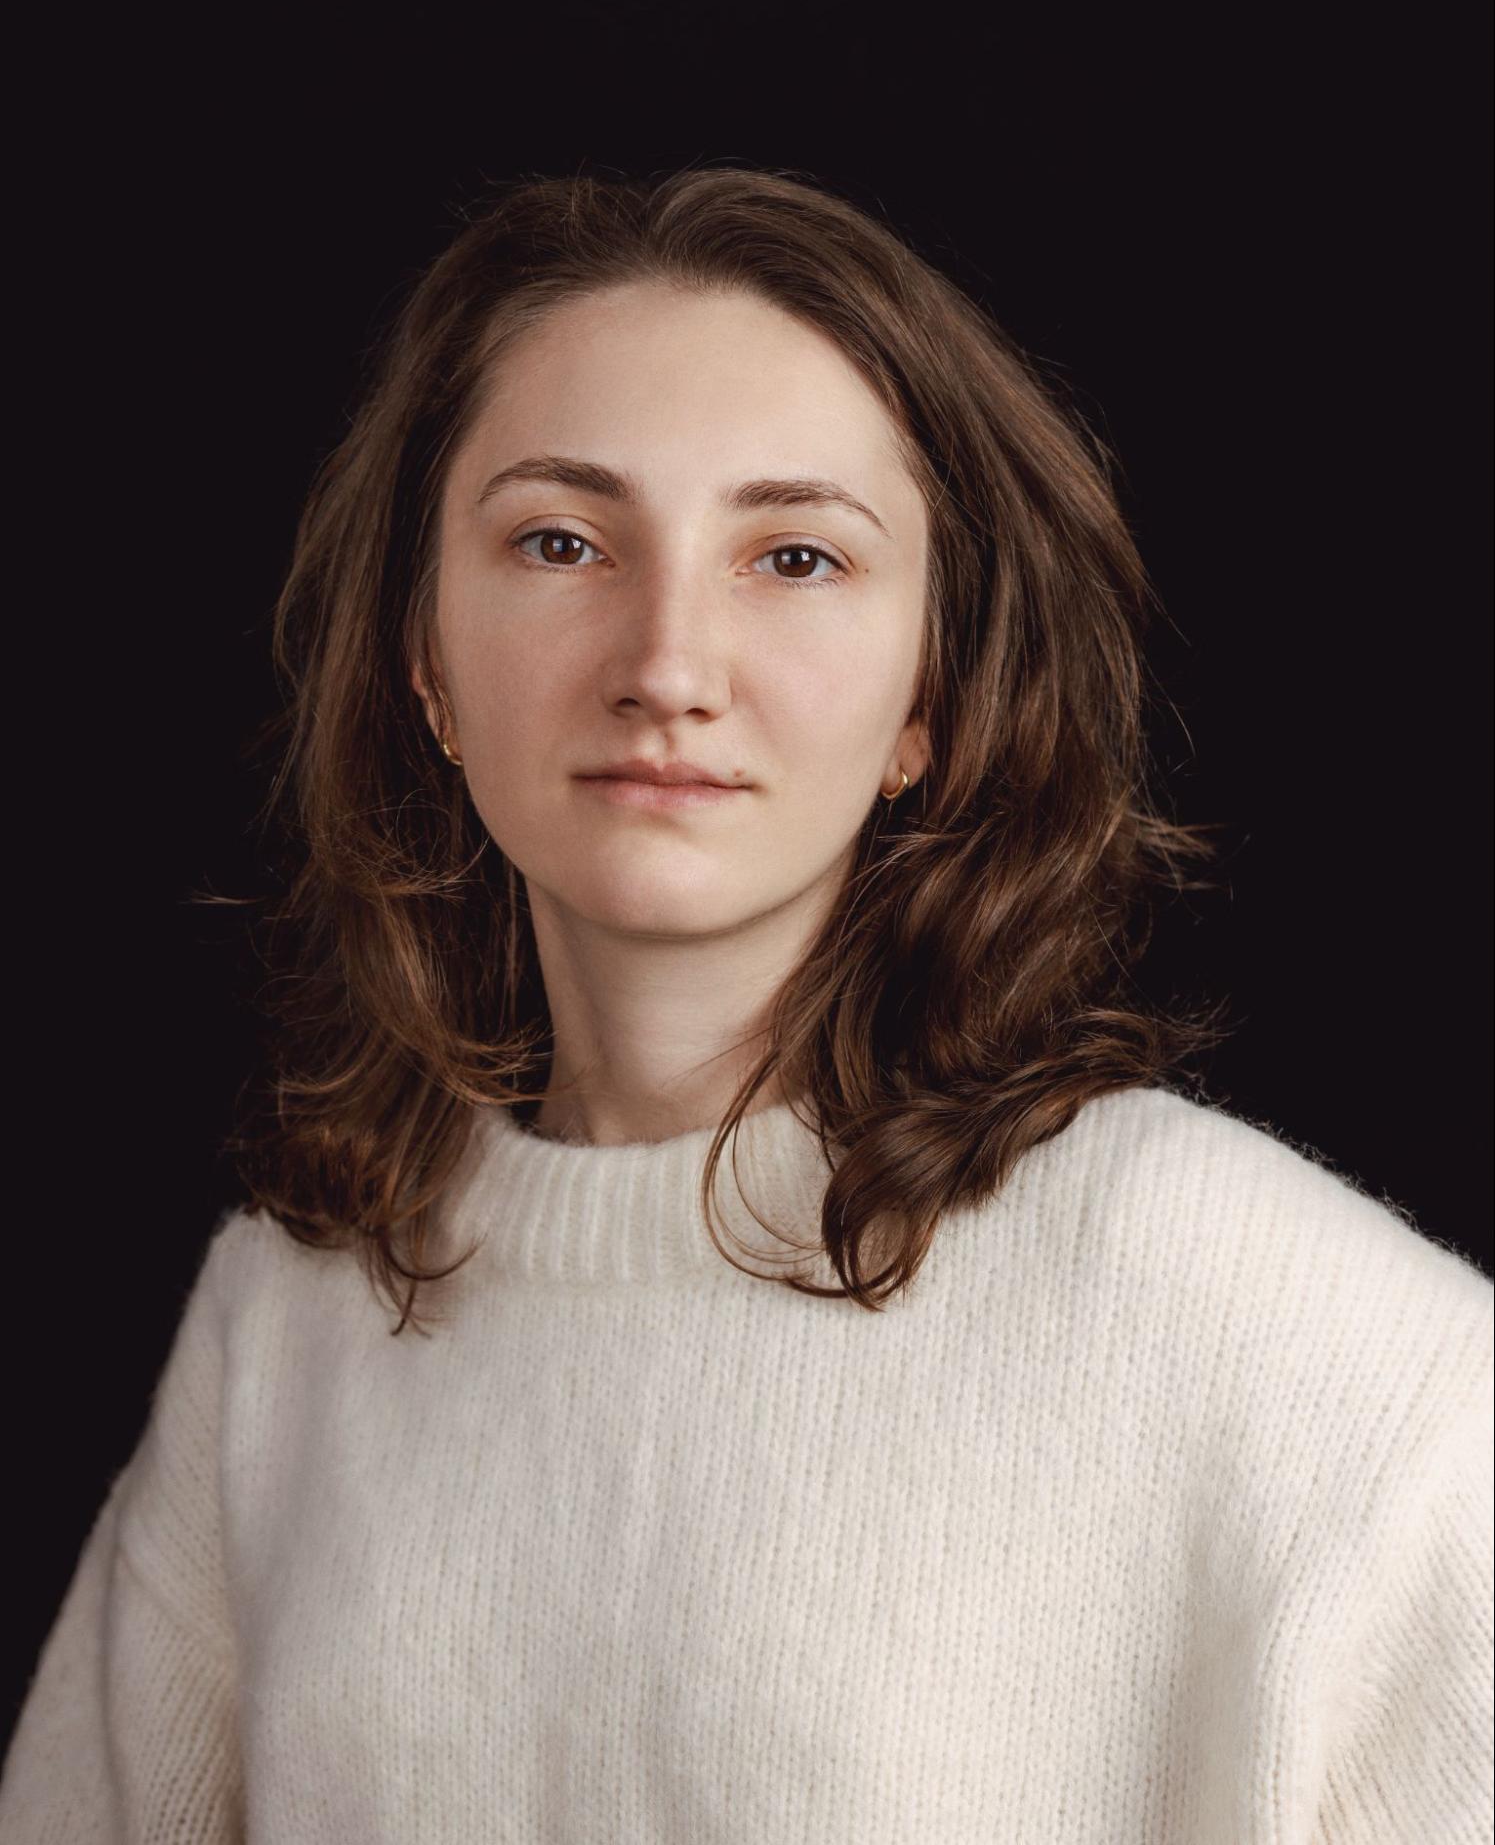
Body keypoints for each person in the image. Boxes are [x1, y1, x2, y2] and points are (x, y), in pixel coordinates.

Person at [3, 167, 1489, 1843]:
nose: (667, 664)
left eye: (794, 556)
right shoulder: (285, 1323)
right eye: (562, 542)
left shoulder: (1275, 1332)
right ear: (426, 661)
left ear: (930, 696)